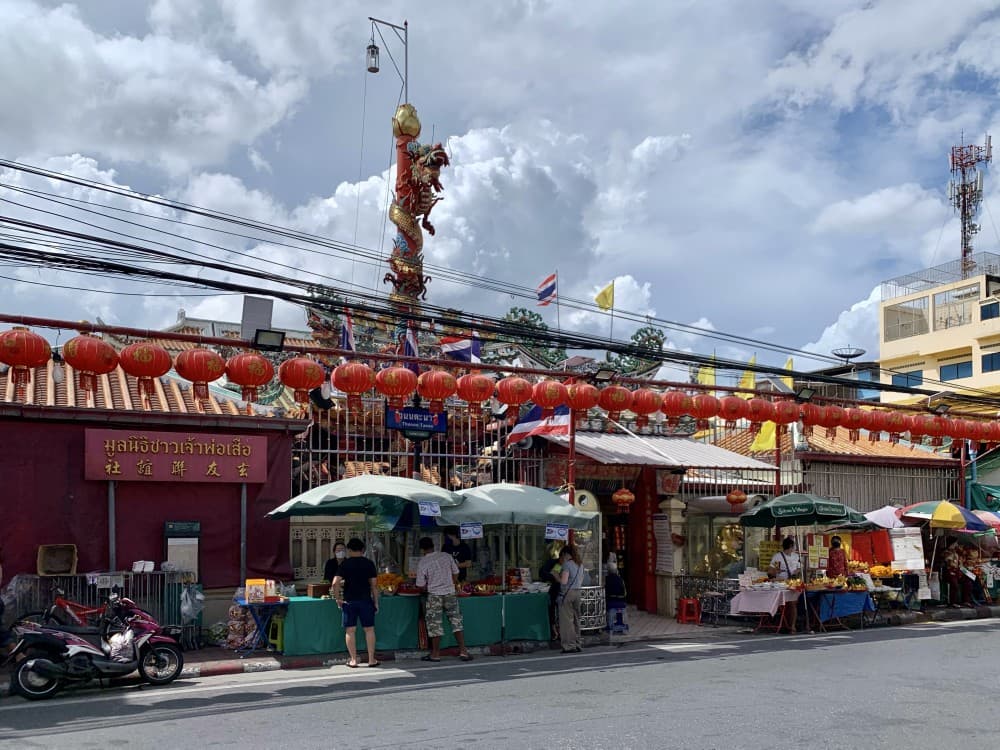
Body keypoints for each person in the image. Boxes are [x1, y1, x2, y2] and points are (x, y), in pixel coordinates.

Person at [415, 537, 473, 662]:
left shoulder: (423, 562)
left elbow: (420, 585)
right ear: (433, 545)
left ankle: (435, 654)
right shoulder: (446, 556)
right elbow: (456, 572)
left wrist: (427, 586)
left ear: (422, 549)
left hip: (434, 595)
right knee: (456, 621)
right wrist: (452, 581)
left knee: (434, 624)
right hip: (450, 593)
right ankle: (463, 651)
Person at [331, 538, 379, 668]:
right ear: (362, 550)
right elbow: (374, 586)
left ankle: (353, 660)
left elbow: (335, 583)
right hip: (366, 601)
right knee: (369, 629)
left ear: (349, 550)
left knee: (350, 630)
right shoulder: (369, 563)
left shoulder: (345, 564)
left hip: (349, 601)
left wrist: (337, 598)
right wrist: (376, 602)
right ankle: (371, 659)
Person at [767, 537, 801, 634]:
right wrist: (776, 571)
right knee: (781, 604)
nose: (793, 548)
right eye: (793, 546)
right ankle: (782, 624)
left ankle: (792, 626)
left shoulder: (796, 556)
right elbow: (770, 570)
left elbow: (799, 568)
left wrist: (795, 572)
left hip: (792, 583)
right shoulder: (777, 556)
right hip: (780, 583)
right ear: (790, 546)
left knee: (793, 604)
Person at [558, 545, 585, 653]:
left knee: (567, 621)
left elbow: (564, 582)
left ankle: (569, 645)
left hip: (568, 593)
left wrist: (556, 576)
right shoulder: (580, 564)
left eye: (563, 555)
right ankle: (578, 643)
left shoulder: (566, 565)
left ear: (565, 554)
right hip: (578, 592)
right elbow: (581, 580)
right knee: (576, 619)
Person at [941, 535, 973, 609]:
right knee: (954, 584)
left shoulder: (957, 553)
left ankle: (966, 601)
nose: (957, 545)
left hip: (958, 572)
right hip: (949, 573)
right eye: (955, 543)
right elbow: (949, 562)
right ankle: (953, 602)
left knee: (968, 582)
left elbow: (961, 563)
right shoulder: (947, 552)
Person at [538, 546, 562, 641]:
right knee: (553, 611)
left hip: (560, 592)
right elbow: (552, 575)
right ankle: (554, 631)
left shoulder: (565, 565)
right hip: (554, 591)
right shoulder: (556, 564)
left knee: (559, 612)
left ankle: (557, 630)